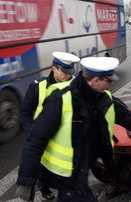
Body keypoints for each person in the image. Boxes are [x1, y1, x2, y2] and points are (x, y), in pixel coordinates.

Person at [15, 57, 131, 201]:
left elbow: (128, 118)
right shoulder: (60, 99)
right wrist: (26, 182)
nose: (111, 84)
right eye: (108, 80)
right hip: (62, 171)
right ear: (96, 81)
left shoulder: (105, 99)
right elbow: (35, 140)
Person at [20, 51, 80, 200]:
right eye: (65, 72)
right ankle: (44, 187)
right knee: (42, 166)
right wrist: (31, 131)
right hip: (42, 134)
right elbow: (26, 112)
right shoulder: (37, 87)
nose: (68, 75)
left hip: (64, 136)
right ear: (54, 69)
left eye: (70, 72)